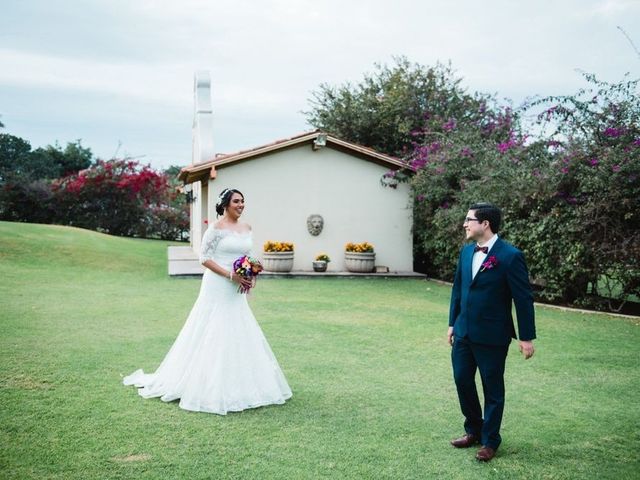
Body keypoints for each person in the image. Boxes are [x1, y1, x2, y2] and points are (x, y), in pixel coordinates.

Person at [123, 188, 292, 414]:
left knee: (238, 327)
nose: (241, 205)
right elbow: (204, 258)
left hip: (236, 287)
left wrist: (248, 275)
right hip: (218, 285)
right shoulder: (215, 229)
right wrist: (231, 275)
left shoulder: (247, 228)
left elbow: (246, 257)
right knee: (215, 328)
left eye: (243, 201)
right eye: (236, 201)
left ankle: (239, 384)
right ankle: (208, 386)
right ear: (225, 204)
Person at [447, 202, 536, 461]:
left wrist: (526, 337)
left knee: (492, 389)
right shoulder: (465, 253)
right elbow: (458, 290)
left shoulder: (510, 256)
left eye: (469, 219)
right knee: (462, 380)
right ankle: (473, 429)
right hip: (464, 332)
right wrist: (453, 323)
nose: (465, 224)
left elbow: (523, 299)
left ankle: (490, 440)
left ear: (485, 224)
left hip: (493, 336)